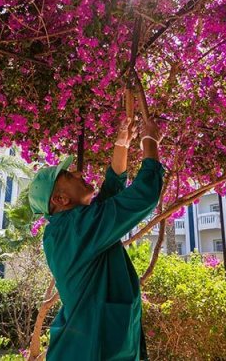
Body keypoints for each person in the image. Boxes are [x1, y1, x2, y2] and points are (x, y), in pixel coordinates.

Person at [28, 97, 163, 360]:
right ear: (60, 200)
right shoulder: (76, 228)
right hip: (93, 350)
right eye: (69, 177)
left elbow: (110, 192)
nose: (79, 173)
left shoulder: (69, 227)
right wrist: (150, 142)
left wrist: (122, 143)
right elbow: (144, 195)